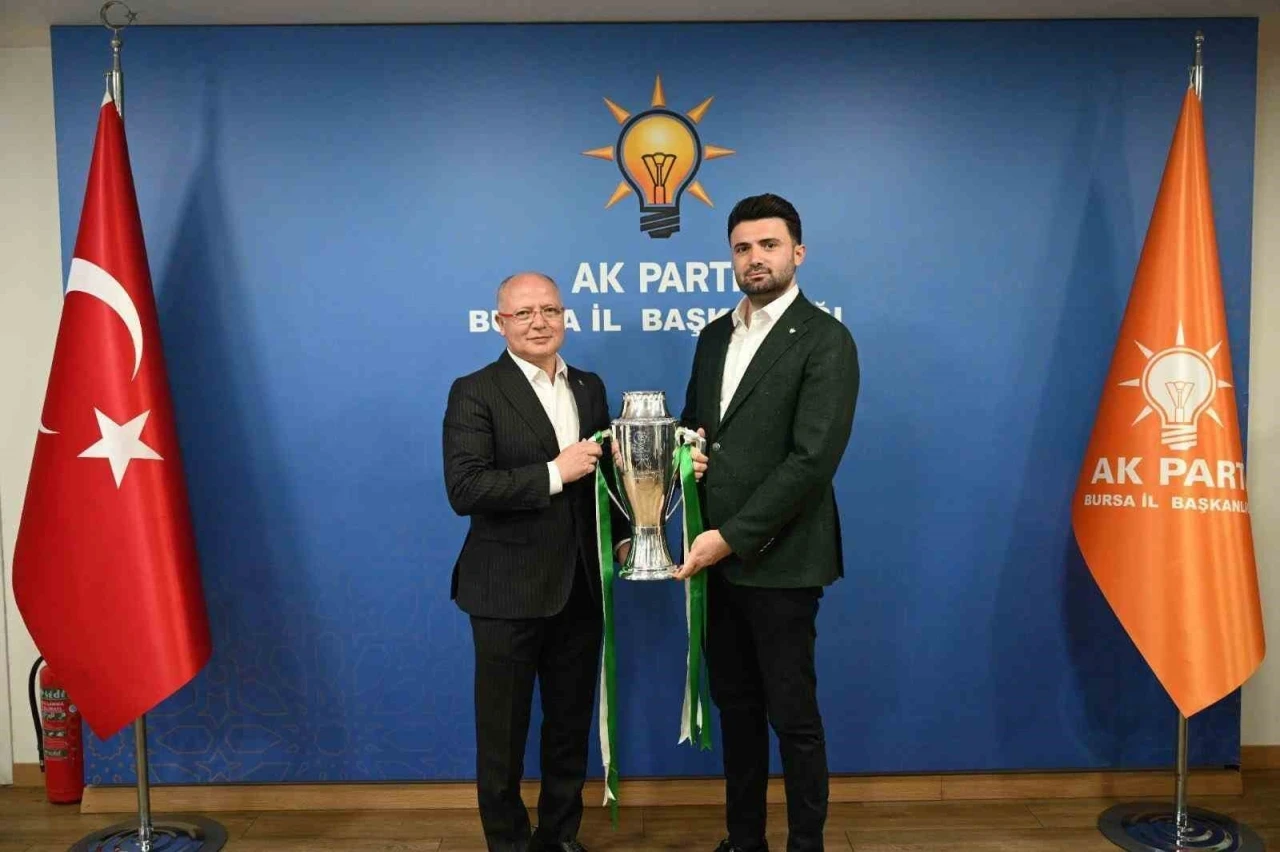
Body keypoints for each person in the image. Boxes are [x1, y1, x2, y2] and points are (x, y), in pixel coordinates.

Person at [675, 194, 860, 852]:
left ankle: (805, 845)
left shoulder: (826, 339)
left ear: (797, 253)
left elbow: (812, 461)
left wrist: (730, 538)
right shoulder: (713, 336)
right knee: (737, 709)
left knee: (793, 718)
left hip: (781, 560)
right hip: (715, 561)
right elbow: (696, 426)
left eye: (769, 245)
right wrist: (689, 450)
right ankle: (743, 839)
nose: (755, 258)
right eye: (743, 247)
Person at [443, 272, 628, 852]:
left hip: (580, 587)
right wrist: (553, 472)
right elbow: (465, 489)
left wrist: (626, 536)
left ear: (565, 317)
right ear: (500, 324)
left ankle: (559, 837)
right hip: (506, 592)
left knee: (569, 729)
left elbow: (608, 475)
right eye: (523, 313)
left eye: (549, 310)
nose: (539, 322)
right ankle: (508, 844)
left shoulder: (590, 387)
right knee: (502, 738)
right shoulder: (475, 390)